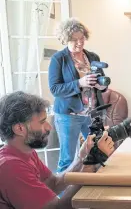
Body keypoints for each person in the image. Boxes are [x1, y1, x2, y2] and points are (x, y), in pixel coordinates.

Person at [0, 91, 114, 209]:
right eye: (42, 122)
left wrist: (81, 158)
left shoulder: (25, 152)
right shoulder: (11, 167)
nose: (49, 127)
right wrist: (91, 163)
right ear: (19, 129)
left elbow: (53, 183)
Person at [49, 18, 107, 173]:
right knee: (67, 158)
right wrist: (79, 83)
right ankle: (62, 195)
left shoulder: (93, 56)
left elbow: (102, 82)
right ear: (65, 39)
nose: (79, 43)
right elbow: (55, 89)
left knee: (97, 153)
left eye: (81, 38)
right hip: (69, 115)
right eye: (74, 40)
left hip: (93, 113)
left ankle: (93, 189)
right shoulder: (58, 59)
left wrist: (101, 85)